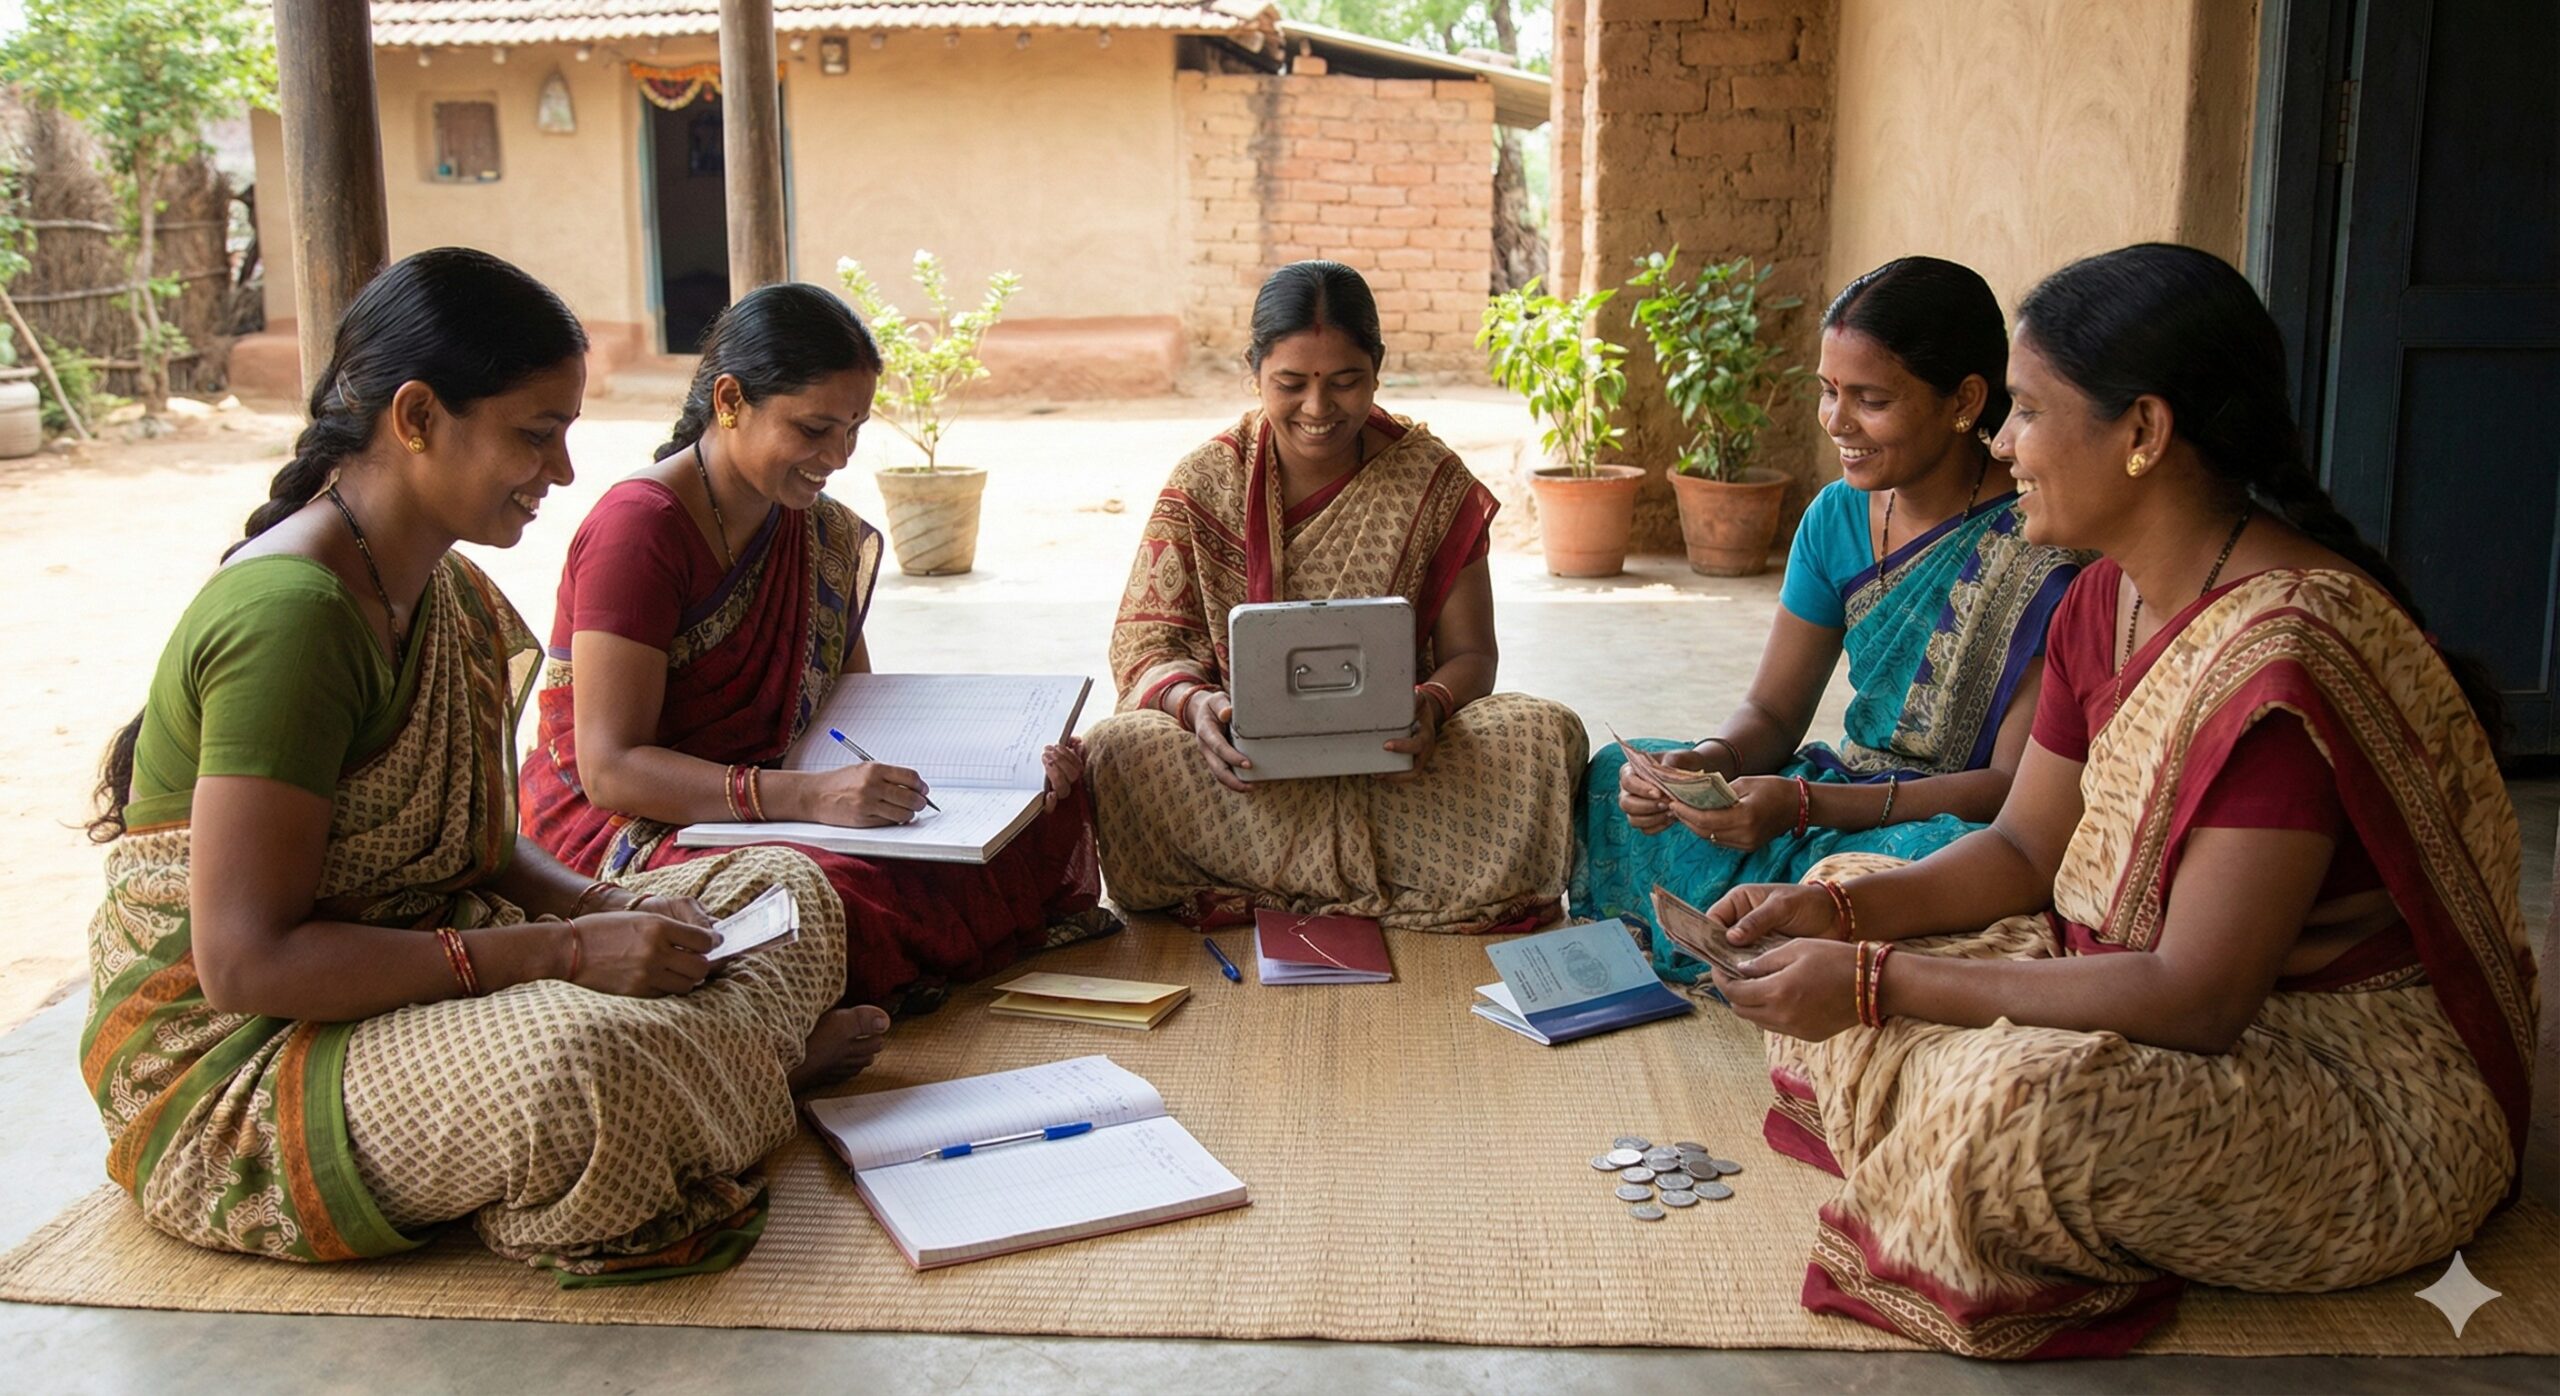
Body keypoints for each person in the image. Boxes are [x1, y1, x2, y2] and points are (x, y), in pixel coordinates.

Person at [1679, 244, 2534, 1359]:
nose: (1999, 446)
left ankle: (1949, 1134)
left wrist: (1881, 983)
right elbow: (2026, 848)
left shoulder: (2279, 660)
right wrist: (1836, 923)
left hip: (2339, 1073)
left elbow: (2199, 996)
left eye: (2026, 412)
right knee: (1845, 881)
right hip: (2130, 969)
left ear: (2142, 432)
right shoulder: (2101, 597)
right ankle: (1918, 1090)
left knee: (2005, 1113)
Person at [80, 249, 877, 1280]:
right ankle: (747, 1079)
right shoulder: (291, 617)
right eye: (535, 435)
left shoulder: (439, 590)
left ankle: (718, 1083)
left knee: (787, 888)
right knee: (588, 1067)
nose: (563, 473)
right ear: (415, 419)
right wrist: (564, 955)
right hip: (257, 1062)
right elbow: (245, 965)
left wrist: (594, 902)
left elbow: (466, 847)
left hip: (422, 967)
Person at [519, 283, 1112, 1014]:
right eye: (812, 430)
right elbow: (610, 771)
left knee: (1041, 807)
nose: (836, 456)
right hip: (634, 826)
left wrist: (1008, 767)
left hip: (780, 799)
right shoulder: (640, 528)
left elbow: (850, 718)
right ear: (730, 400)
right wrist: (806, 797)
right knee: (815, 898)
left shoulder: (814, 529)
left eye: (854, 429)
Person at [1576, 257, 2083, 978]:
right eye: (1828, 392)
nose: (1837, 422)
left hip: (1951, 827)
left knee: (1879, 878)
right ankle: (1761, 936)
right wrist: (1705, 768)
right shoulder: (1837, 515)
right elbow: (1774, 713)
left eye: (1871, 399)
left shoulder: (2044, 547)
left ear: (1966, 400)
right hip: (1841, 786)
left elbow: (2007, 789)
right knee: (1608, 781)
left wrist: (1807, 807)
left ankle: (1773, 941)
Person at [1084, 260, 1586, 932]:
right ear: (1254, 371)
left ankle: (1257, 882)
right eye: (1290, 384)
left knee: (1540, 733)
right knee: (1118, 750)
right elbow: (1147, 646)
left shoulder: (1431, 481)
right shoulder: (1207, 481)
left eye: (1345, 382)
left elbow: (1471, 654)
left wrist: (1430, 709)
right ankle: (1397, 882)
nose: (1318, 410)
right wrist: (1197, 705)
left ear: (1377, 370)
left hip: (1397, 769)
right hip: (1244, 775)